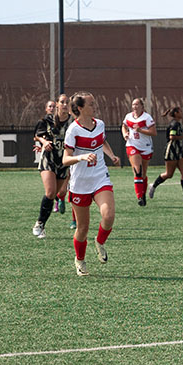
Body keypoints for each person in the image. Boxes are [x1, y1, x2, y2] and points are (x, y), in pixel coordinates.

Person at [63, 91, 120, 276]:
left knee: (109, 215)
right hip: (80, 183)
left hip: (99, 177)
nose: (95, 106)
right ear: (80, 108)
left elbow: (102, 142)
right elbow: (65, 159)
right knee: (82, 228)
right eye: (91, 104)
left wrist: (111, 155)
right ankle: (79, 260)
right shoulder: (73, 130)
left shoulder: (100, 124)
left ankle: (100, 241)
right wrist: (82, 157)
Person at [32, 95, 74, 238]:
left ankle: (59, 200)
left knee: (60, 193)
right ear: (57, 104)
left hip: (63, 162)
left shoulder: (73, 122)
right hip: (48, 159)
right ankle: (40, 223)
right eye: (62, 102)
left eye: (67, 102)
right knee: (50, 192)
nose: (64, 105)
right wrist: (43, 143)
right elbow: (37, 135)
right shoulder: (47, 120)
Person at [148, 106, 183, 201]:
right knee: (169, 174)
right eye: (180, 111)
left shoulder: (178, 123)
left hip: (179, 151)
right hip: (171, 151)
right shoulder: (174, 124)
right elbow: (172, 136)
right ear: (176, 113)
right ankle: (153, 186)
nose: (182, 113)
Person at [121, 98, 157, 206]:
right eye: (133, 105)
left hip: (145, 147)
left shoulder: (146, 117)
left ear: (142, 106)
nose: (135, 107)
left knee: (143, 174)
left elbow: (154, 132)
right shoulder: (128, 116)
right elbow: (124, 126)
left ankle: (143, 194)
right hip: (132, 145)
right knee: (138, 170)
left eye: (137, 104)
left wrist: (141, 130)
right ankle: (139, 197)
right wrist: (125, 134)